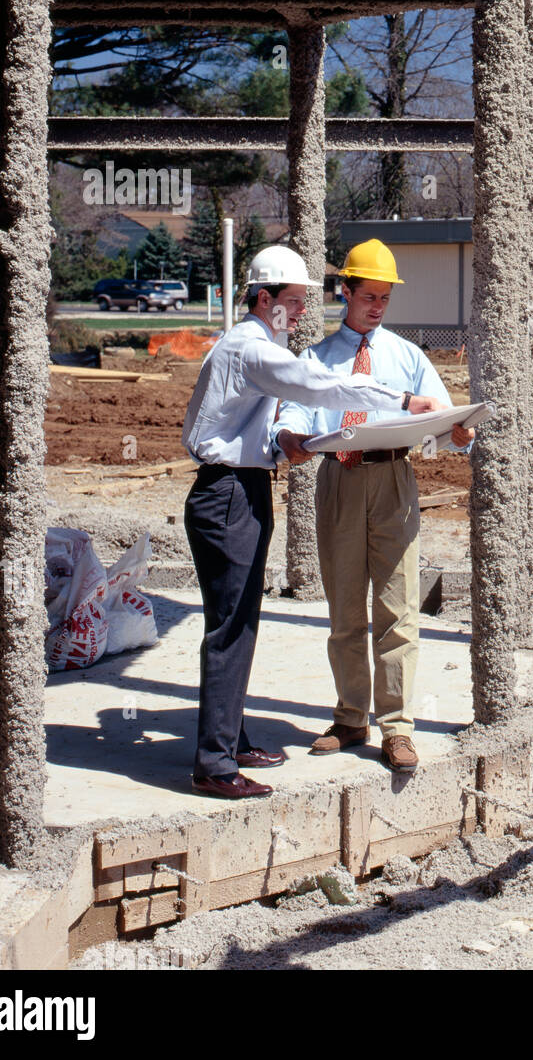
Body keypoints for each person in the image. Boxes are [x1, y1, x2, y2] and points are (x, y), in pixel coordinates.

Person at [181, 244, 443, 800]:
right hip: (234, 491)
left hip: (268, 485)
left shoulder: (263, 345)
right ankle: (216, 763)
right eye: (294, 301)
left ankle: (233, 741)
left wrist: (283, 448)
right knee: (234, 628)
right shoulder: (254, 349)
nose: (301, 312)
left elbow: (279, 417)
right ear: (265, 297)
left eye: (304, 301)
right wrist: (397, 398)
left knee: (241, 624)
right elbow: (315, 389)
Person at [274, 238, 474, 774]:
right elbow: (290, 412)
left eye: (385, 298)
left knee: (398, 608)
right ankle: (349, 718)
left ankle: (398, 727)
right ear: (345, 291)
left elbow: (444, 415)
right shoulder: (315, 359)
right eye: (369, 296)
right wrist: (288, 434)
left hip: (393, 482)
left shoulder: (407, 357)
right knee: (343, 608)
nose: (378, 307)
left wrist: (457, 429)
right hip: (338, 481)